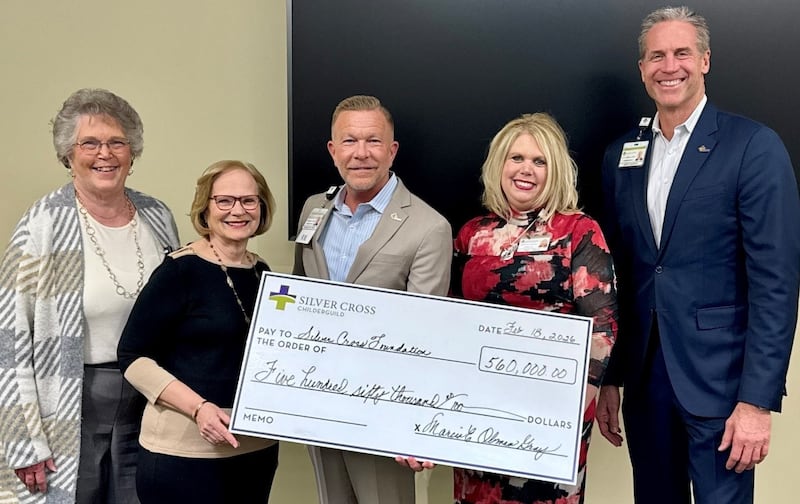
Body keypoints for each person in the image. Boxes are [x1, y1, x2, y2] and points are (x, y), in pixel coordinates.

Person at [597, 6, 800, 504]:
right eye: (657, 56)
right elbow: (621, 272)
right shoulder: (620, 154)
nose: (670, 66)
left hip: (722, 383)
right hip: (646, 381)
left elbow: (776, 281)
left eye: (682, 53)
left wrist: (756, 402)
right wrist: (611, 378)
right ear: (642, 69)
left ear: (705, 60)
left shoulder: (753, 146)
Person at [0, 88, 180, 503]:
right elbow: (8, 341)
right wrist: (22, 441)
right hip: (70, 403)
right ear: (68, 154)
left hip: (151, 400)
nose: (106, 154)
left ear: (132, 152)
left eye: (117, 142)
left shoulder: (157, 216)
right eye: (90, 143)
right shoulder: (42, 225)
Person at [443, 112, 617, 503]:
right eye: (516, 158)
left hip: (550, 415)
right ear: (499, 165)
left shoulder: (578, 231)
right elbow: (448, 320)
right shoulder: (471, 234)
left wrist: (570, 409)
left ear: (554, 171)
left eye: (539, 161)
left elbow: (602, 330)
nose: (526, 170)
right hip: (478, 410)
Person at [292, 95, 453, 504]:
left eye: (373, 141)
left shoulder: (428, 226)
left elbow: (426, 335)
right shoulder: (314, 209)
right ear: (332, 150)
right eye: (348, 141)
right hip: (318, 398)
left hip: (382, 408)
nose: (360, 153)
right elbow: (297, 295)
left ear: (392, 150)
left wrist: (414, 421)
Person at [116, 160, 279, 503]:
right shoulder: (179, 271)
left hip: (255, 449)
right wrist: (199, 408)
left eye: (249, 201)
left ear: (262, 209)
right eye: (225, 201)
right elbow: (132, 357)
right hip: (184, 454)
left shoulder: (264, 273)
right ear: (205, 209)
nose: (238, 210)